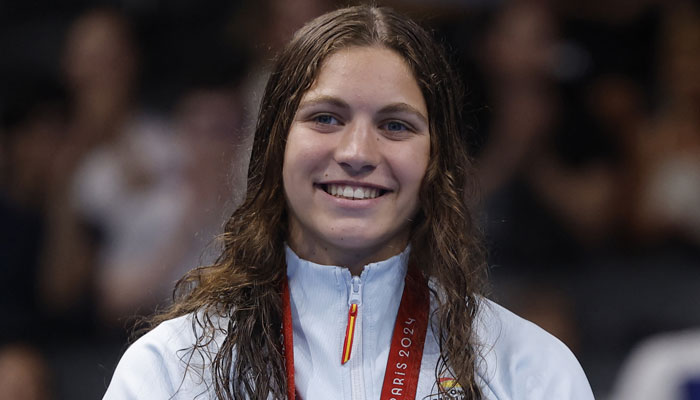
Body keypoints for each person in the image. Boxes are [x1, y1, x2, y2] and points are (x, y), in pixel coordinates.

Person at [104, 5, 594, 400]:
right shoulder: (172, 369)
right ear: (275, 145)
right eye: (326, 118)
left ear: (435, 161)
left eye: (396, 125)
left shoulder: (527, 368)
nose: (358, 153)